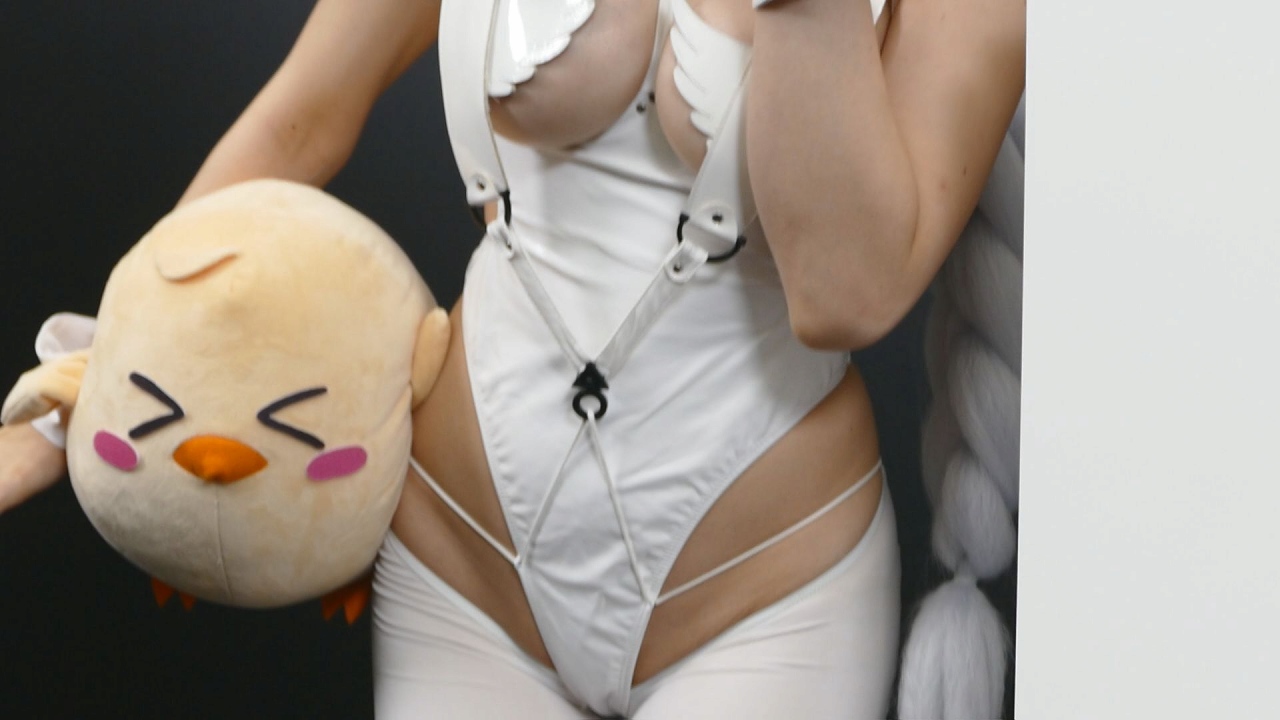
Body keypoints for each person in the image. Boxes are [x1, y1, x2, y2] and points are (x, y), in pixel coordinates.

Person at [0, 0, 1025, 717]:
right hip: (464, 568)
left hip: (764, 592)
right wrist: (97, 385)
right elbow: (297, 125)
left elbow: (845, 296)